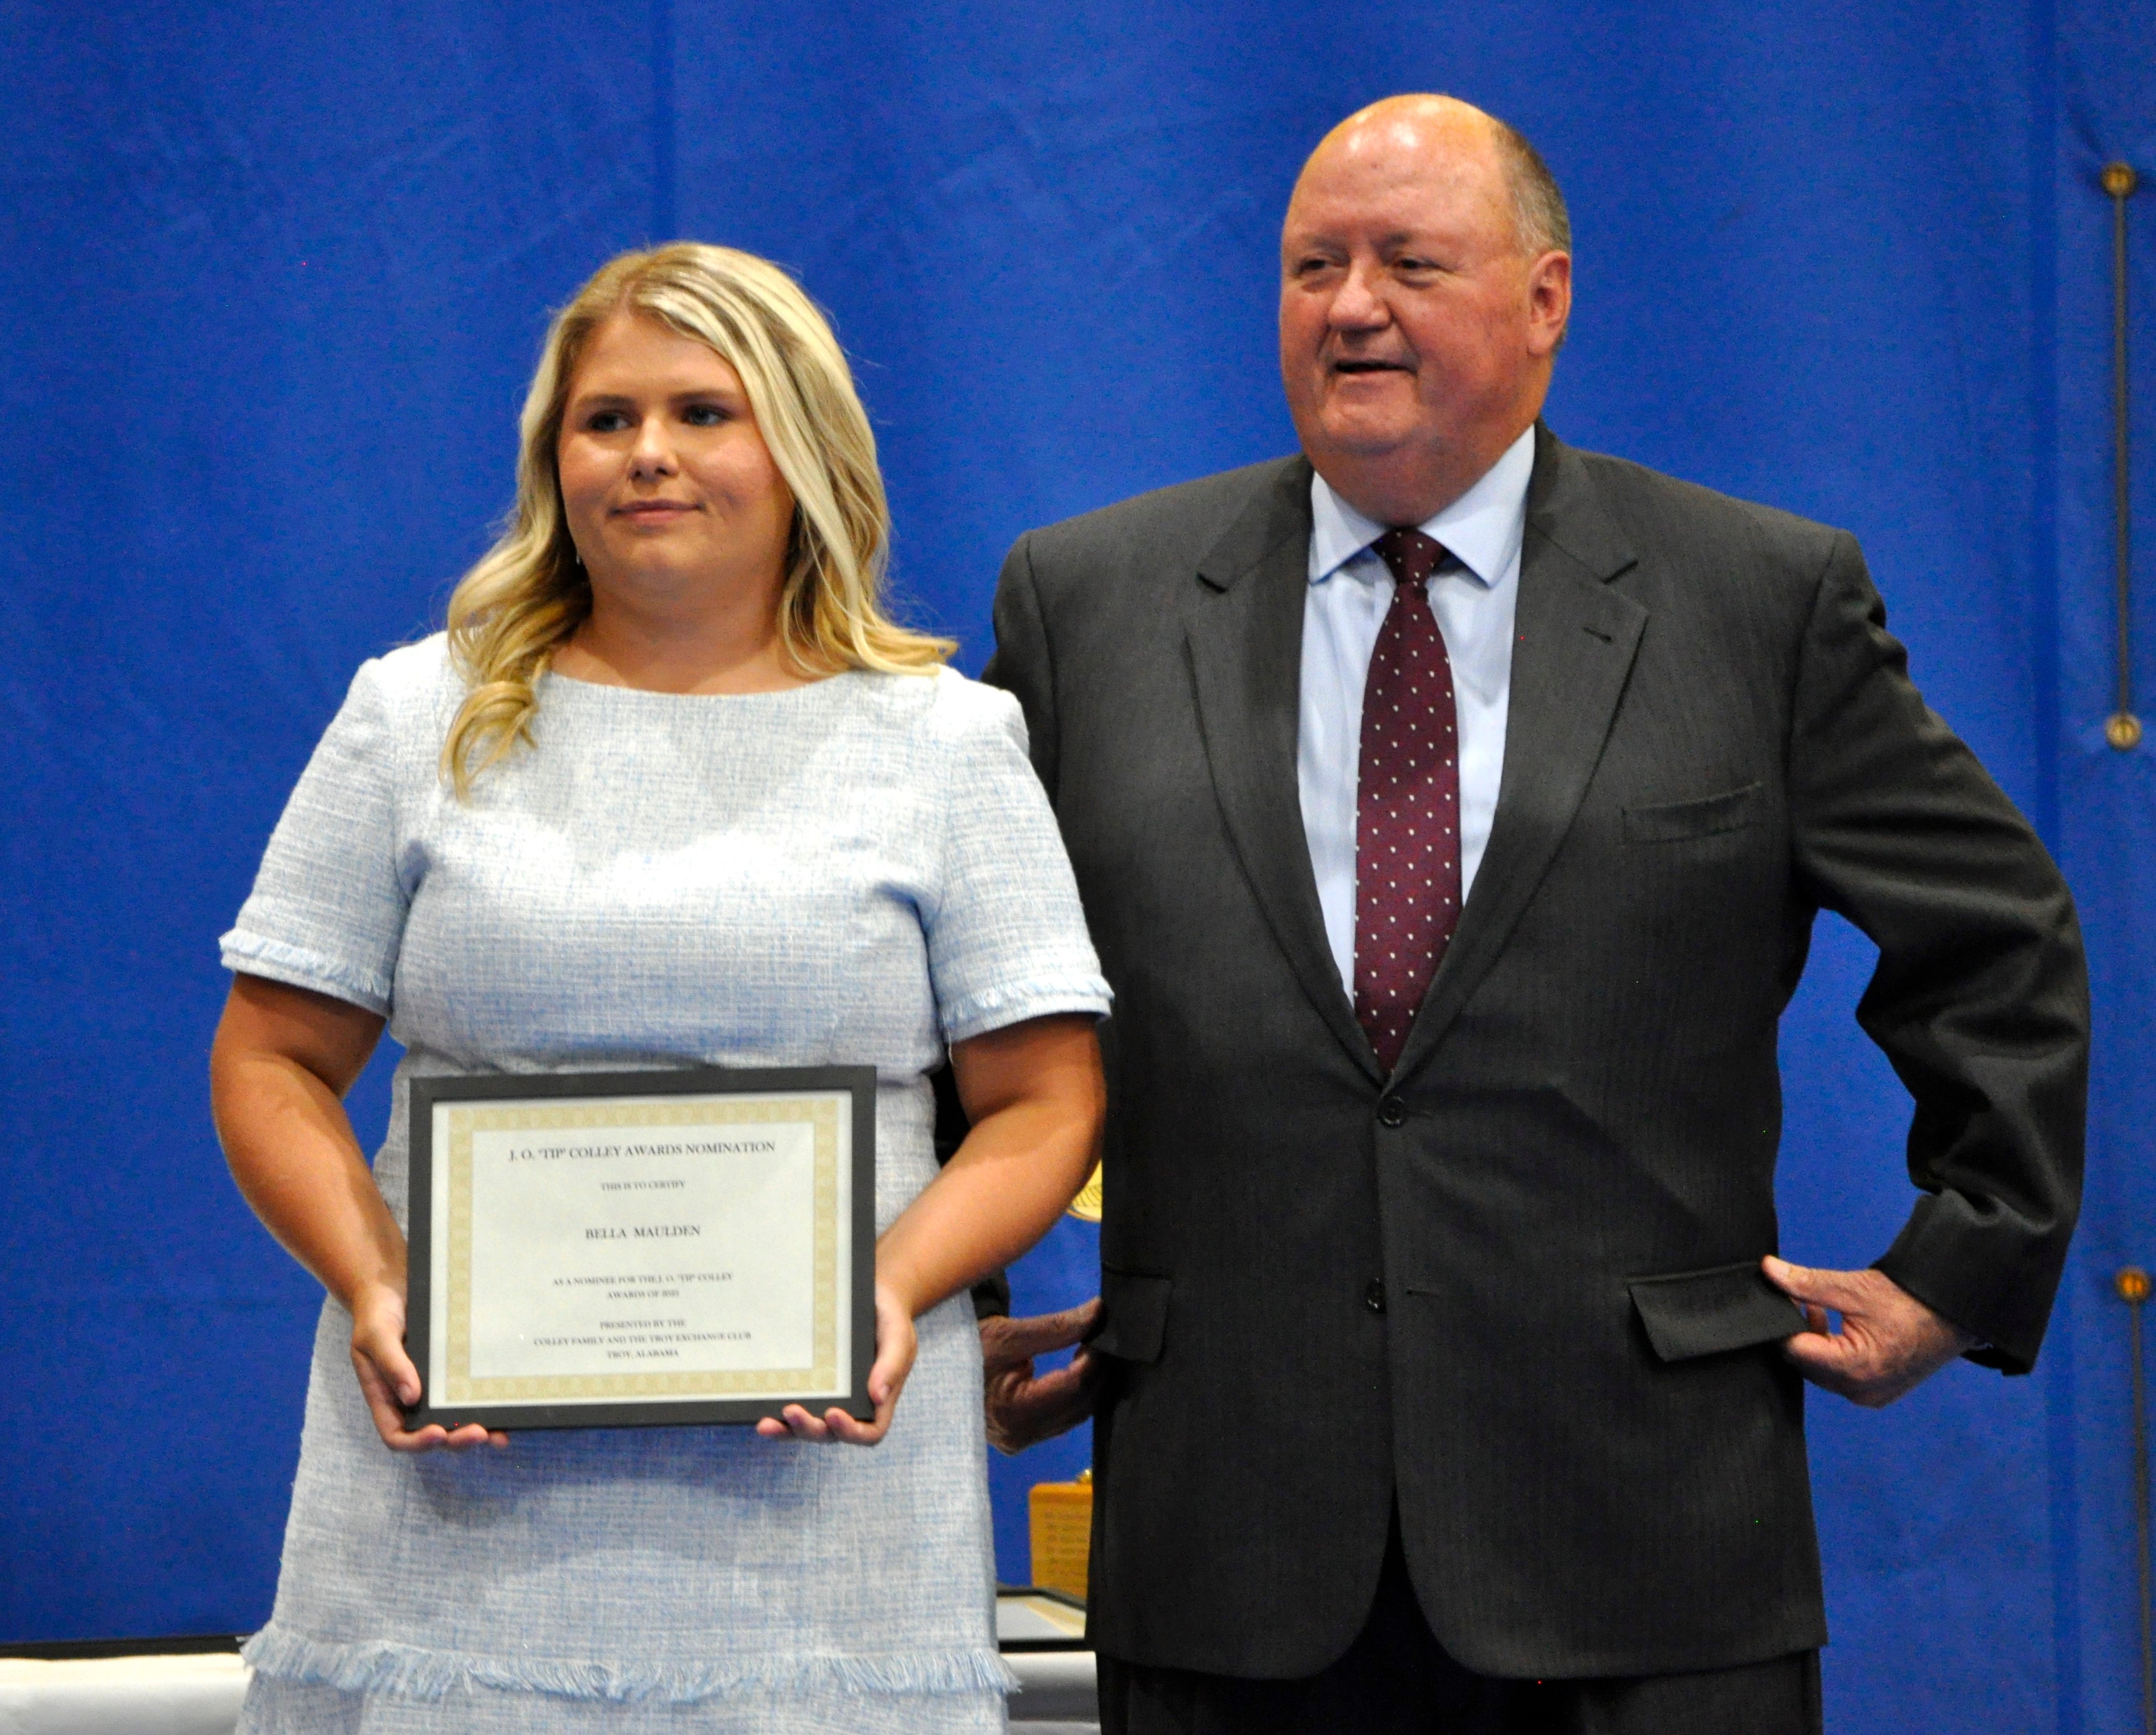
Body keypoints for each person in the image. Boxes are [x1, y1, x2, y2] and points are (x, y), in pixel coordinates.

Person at [978, 95, 2088, 1734]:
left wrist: (1959, 1267)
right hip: (1230, 1546)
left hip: (1649, 1542)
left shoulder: (1755, 601)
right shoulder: (1087, 606)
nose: (1350, 304)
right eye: (1311, 266)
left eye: (1408, 261)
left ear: (1545, 299)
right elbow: (955, 986)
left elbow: (1996, 937)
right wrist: (958, 1313)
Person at [209, 241, 1110, 1734]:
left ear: (802, 448)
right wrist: (376, 1284)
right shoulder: (411, 715)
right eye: (605, 418)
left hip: (835, 1521)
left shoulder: (947, 742)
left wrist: (882, 1290)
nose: (648, 456)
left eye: (704, 412)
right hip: (450, 1504)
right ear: (551, 457)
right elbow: (269, 1060)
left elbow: (1043, 1103)